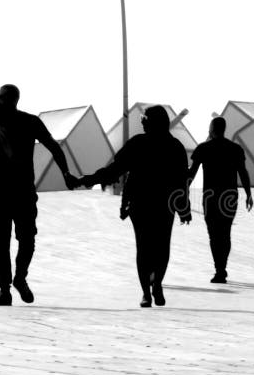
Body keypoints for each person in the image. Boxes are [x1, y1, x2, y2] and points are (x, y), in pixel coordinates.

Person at [0, 84, 77, 306]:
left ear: (13, 100)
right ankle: (4, 289)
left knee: (27, 240)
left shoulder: (30, 122)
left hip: (23, 193)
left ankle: (20, 278)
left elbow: (53, 146)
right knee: (0, 244)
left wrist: (65, 173)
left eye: (1, 99)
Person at [78, 106, 191, 308]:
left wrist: (89, 179)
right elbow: (182, 182)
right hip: (165, 205)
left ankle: (148, 292)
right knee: (161, 247)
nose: (141, 121)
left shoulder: (138, 144)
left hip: (142, 204)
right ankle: (154, 286)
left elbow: (114, 171)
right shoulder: (175, 147)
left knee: (144, 248)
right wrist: (184, 207)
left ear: (152, 121)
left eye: (144, 118)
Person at [188, 117, 253, 284]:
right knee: (225, 233)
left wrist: (183, 191)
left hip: (210, 196)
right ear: (224, 129)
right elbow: (243, 172)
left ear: (211, 128)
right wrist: (248, 194)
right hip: (229, 196)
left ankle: (219, 269)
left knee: (214, 235)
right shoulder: (235, 149)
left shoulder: (203, 148)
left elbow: (191, 173)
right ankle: (222, 268)